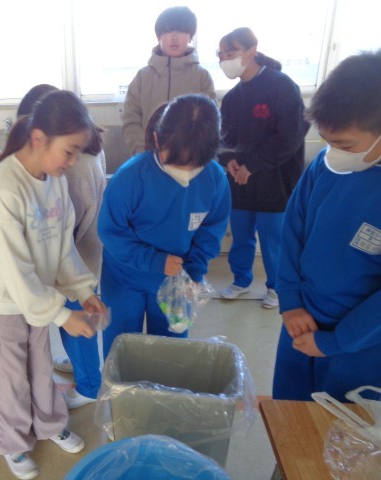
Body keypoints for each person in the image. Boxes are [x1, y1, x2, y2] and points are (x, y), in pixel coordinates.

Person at [0, 90, 107, 479]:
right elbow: (14, 270)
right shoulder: (3, 190)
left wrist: (83, 291)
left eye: (78, 153)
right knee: (4, 378)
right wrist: (63, 315)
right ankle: (12, 444)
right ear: (39, 138)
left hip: (35, 295)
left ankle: (49, 424)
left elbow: (62, 245)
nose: (73, 162)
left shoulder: (53, 180)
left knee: (40, 366)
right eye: (69, 152)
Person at [272, 50, 381, 402]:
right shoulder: (325, 165)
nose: (334, 152)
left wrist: (336, 341)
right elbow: (292, 233)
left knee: (344, 428)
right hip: (300, 321)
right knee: (290, 416)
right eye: (327, 141)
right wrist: (290, 301)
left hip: (360, 344)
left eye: (345, 144)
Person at [99, 94, 231, 358]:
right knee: (122, 349)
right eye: (177, 162)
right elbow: (111, 232)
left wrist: (195, 271)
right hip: (125, 278)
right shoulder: (131, 177)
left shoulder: (214, 179)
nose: (186, 172)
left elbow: (211, 231)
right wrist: (155, 260)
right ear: (157, 140)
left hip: (177, 281)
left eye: (196, 165)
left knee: (171, 353)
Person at [14, 84, 107, 410]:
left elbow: (68, 225)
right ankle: (82, 369)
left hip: (77, 256)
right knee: (77, 320)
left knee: (76, 323)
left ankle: (89, 385)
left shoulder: (72, 167)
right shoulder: (85, 149)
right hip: (83, 253)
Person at [216, 28, 309, 309]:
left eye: (231, 53)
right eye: (221, 55)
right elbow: (224, 137)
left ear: (251, 50)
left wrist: (253, 166)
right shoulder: (232, 97)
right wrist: (227, 159)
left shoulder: (281, 86)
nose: (225, 60)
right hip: (240, 180)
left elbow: (290, 137)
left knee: (274, 240)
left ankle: (277, 287)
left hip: (276, 180)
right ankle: (241, 280)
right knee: (241, 235)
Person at [121, 6, 216, 156]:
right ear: (159, 36)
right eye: (168, 31)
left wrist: (193, 156)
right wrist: (142, 151)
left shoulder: (201, 76)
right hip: (148, 157)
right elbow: (130, 119)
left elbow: (210, 122)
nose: (175, 37)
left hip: (190, 160)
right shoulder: (142, 77)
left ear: (190, 37)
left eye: (182, 31)